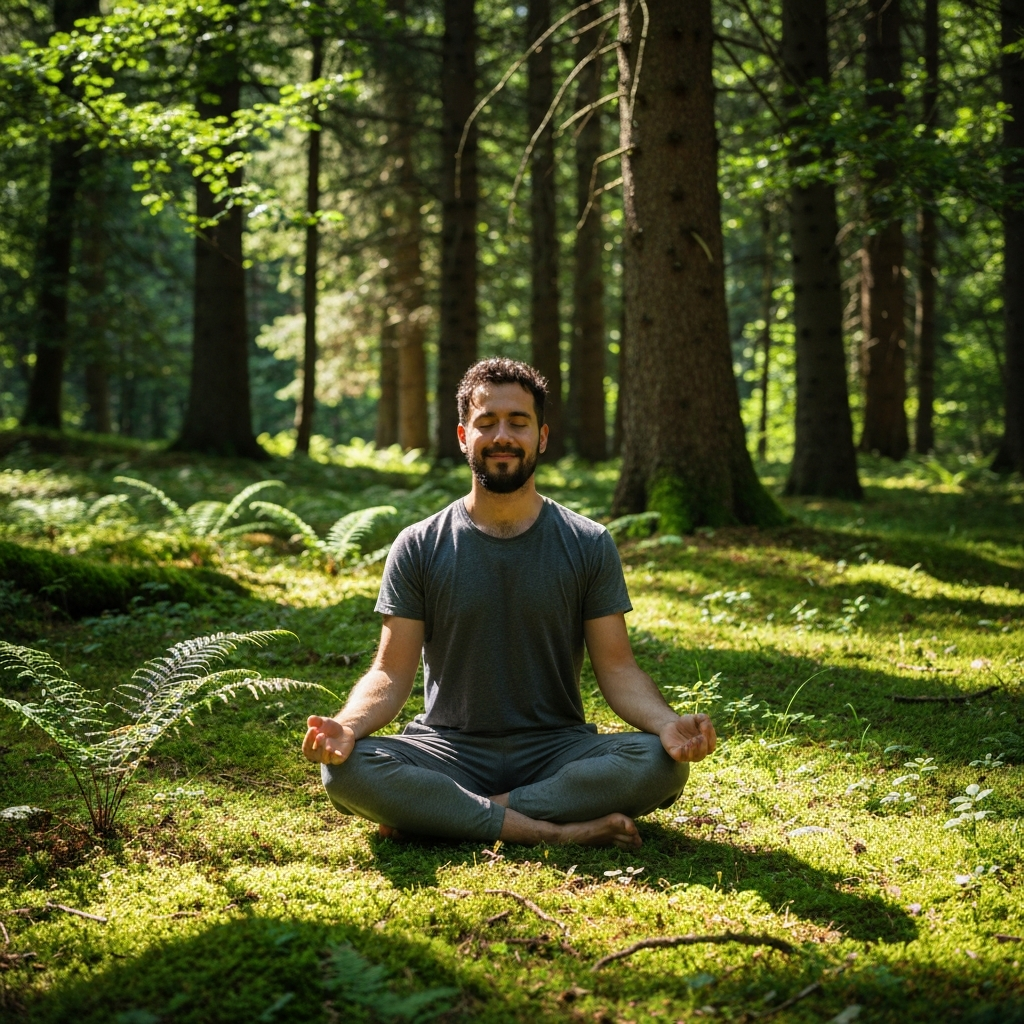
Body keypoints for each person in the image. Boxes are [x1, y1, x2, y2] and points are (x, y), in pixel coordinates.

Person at [302, 357, 716, 849]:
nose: (503, 436)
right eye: (487, 423)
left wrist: (668, 725)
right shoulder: (418, 544)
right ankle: (550, 831)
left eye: (518, 422)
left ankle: (447, 814)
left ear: (541, 436)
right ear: (462, 436)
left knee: (658, 764)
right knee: (347, 773)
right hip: (448, 748)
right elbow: (390, 674)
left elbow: (619, 669)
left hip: (558, 749)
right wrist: (346, 727)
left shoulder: (587, 543)